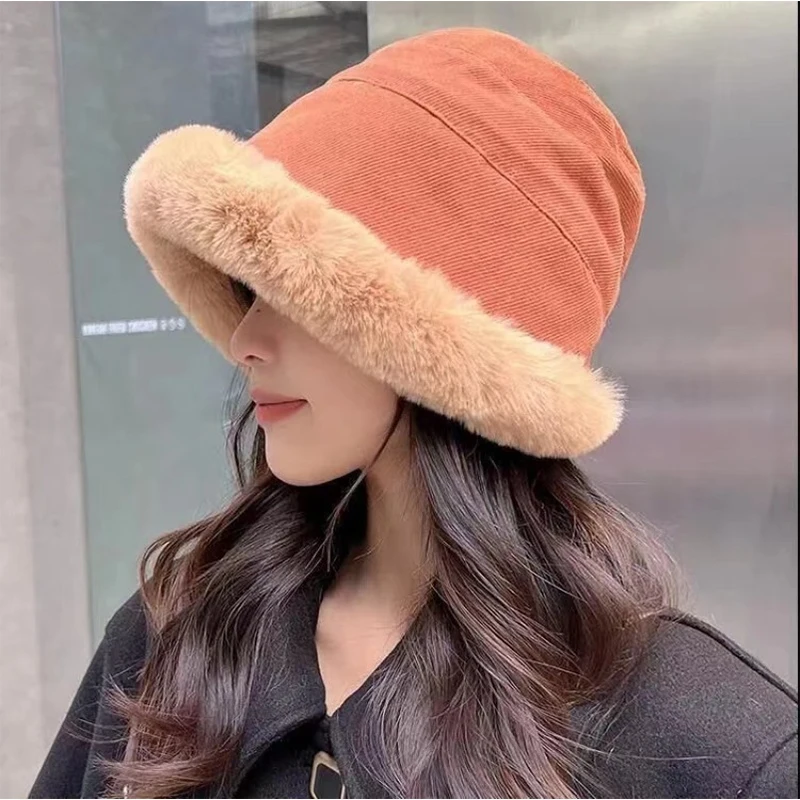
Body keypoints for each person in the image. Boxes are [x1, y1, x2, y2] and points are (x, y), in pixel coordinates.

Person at [31, 28, 796, 800]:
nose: (243, 341)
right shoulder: (178, 637)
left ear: (441, 346)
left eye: (300, 292)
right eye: (251, 290)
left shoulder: (704, 746)